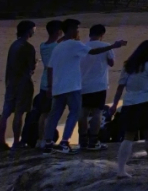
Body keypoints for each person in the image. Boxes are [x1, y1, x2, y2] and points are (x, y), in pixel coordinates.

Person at [45, 19, 126, 153]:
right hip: (73, 86)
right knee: (75, 113)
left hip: (58, 87)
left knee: (55, 114)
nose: (78, 32)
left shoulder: (58, 46)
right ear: (71, 30)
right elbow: (93, 51)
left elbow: (50, 68)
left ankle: (48, 142)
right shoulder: (74, 44)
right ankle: (65, 142)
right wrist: (113, 46)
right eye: (76, 29)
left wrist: (49, 86)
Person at [110, 40, 148, 177]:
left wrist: (114, 105)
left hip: (129, 103)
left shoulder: (128, 66)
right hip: (146, 102)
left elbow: (120, 88)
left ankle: (121, 169)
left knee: (128, 137)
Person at [0, 21, 36, 151]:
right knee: (19, 113)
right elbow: (31, 67)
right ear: (28, 31)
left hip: (11, 82)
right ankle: (16, 141)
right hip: (23, 83)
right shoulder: (28, 47)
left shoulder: (13, 45)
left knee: (6, 113)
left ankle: (1, 141)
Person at [79, 23, 117, 151]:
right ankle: (93, 140)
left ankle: (83, 140)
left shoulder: (82, 47)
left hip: (82, 84)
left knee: (83, 113)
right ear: (102, 34)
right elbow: (112, 63)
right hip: (99, 85)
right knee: (97, 113)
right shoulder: (106, 46)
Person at [34, 19, 63, 150]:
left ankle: (41, 139)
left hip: (44, 81)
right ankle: (46, 138)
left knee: (44, 113)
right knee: (50, 113)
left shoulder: (43, 45)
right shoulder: (56, 47)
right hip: (53, 83)